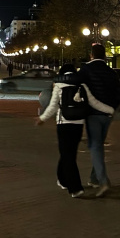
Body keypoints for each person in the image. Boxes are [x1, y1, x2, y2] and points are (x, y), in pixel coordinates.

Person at [53, 43, 120, 198]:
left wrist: (58, 79)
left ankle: (103, 181)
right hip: (108, 114)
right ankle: (94, 178)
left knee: (95, 146)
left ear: (91, 55)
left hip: (93, 114)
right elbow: (119, 92)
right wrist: (112, 109)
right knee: (99, 146)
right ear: (104, 56)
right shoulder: (111, 72)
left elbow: (74, 82)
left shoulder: (86, 70)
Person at [35, 63, 87, 198]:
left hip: (63, 123)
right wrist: (108, 111)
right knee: (70, 154)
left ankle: (75, 188)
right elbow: (90, 102)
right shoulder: (82, 83)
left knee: (66, 154)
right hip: (78, 123)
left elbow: (53, 106)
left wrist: (42, 118)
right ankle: (63, 180)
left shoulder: (59, 84)